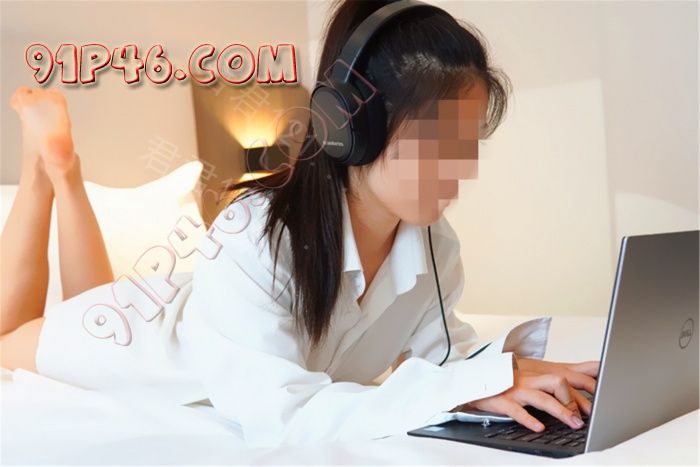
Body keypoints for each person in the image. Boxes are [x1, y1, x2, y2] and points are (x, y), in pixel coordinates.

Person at [0, 0, 598, 448]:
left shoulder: (432, 243)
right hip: (137, 341)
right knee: (8, 337)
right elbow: (281, 416)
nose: (462, 168)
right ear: (351, 128)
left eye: (468, 143)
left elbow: (440, 355)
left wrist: (511, 375)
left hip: (184, 306)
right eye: (438, 141)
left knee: (88, 295)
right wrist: (465, 386)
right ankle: (49, 169)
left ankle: (64, 172)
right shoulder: (254, 233)